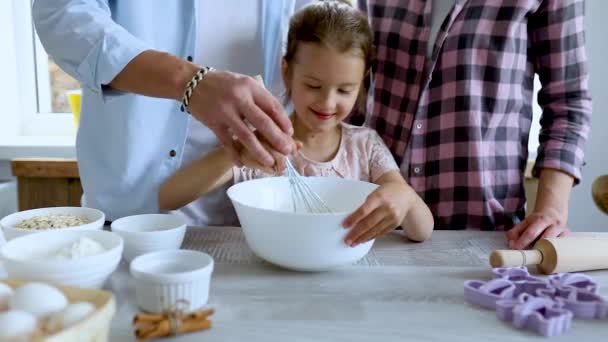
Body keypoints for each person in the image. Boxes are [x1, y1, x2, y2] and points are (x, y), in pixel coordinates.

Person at [159, 1, 434, 245]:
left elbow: (422, 230)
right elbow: (167, 198)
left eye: (344, 90)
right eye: (313, 85)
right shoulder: (263, 143)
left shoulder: (365, 146)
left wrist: (403, 196)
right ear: (287, 72)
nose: (327, 102)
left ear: (362, 83)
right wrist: (235, 153)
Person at [32, 1, 310, 223]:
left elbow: (311, 31)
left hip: (258, 213)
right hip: (135, 215)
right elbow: (62, 14)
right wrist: (188, 81)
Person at [354, 0, 592, 249]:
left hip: (486, 235)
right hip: (373, 227)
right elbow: (352, 88)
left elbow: (568, 101)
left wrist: (550, 210)